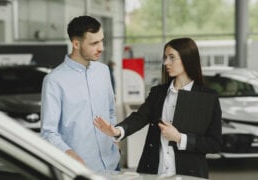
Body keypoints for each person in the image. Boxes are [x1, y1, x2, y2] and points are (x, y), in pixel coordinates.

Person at [94, 37, 222, 178]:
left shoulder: (208, 97)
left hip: (189, 173)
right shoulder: (158, 92)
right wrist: (117, 130)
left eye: (172, 57)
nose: (166, 63)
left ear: (187, 59)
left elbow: (214, 143)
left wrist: (179, 138)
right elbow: (139, 117)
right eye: (165, 57)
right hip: (154, 171)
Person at [40, 15, 120, 172]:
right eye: (94, 43)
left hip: (112, 164)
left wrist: (115, 144)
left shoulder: (103, 71)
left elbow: (111, 111)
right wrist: (69, 154)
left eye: (102, 40)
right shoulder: (54, 80)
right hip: (78, 169)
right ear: (76, 43)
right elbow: (48, 132)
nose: (101, 48)